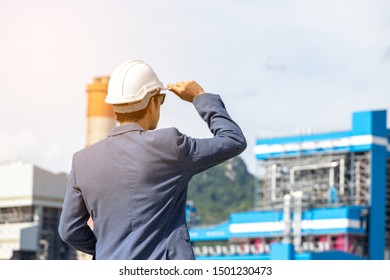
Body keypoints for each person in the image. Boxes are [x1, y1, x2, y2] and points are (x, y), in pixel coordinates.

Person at [58, 59, 247, 260]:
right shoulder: (169, 145)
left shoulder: (82, 161)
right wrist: (199, 97)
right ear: (152, 103)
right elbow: (233, 140)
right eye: (161, 100)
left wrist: (108, 251)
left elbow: (69, 230)